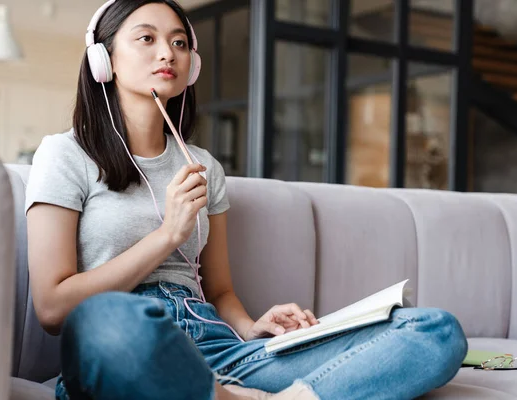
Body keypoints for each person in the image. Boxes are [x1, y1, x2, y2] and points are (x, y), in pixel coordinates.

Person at [25, 1, 468, 399]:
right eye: (147, 38)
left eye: (180, 43)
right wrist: (167, 235)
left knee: (433, 331)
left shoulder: (203, 167)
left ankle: (229, 395)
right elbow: (53, 308)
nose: (168, 53)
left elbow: (218, 291)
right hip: (123, 345)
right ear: (105, 60)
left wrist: (250, 326)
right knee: (119, 324)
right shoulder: (65, 155)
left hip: (220, 352)